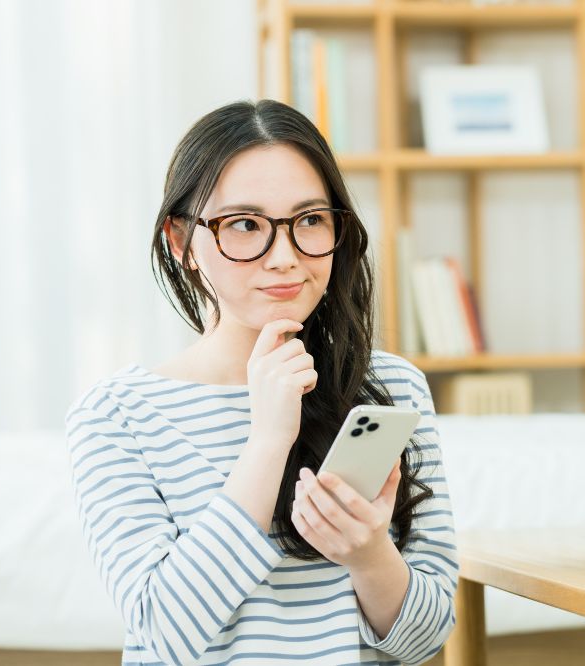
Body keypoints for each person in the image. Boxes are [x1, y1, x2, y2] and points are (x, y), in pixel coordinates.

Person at [63, 99, 458, 665]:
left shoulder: (394, 389)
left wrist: (369, 554)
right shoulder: (116, 415)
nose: (284, 257)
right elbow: (167, 635)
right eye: (245, 225)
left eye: (310, 220)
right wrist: (269, 441)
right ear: (181, 242)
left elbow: (426, 643)